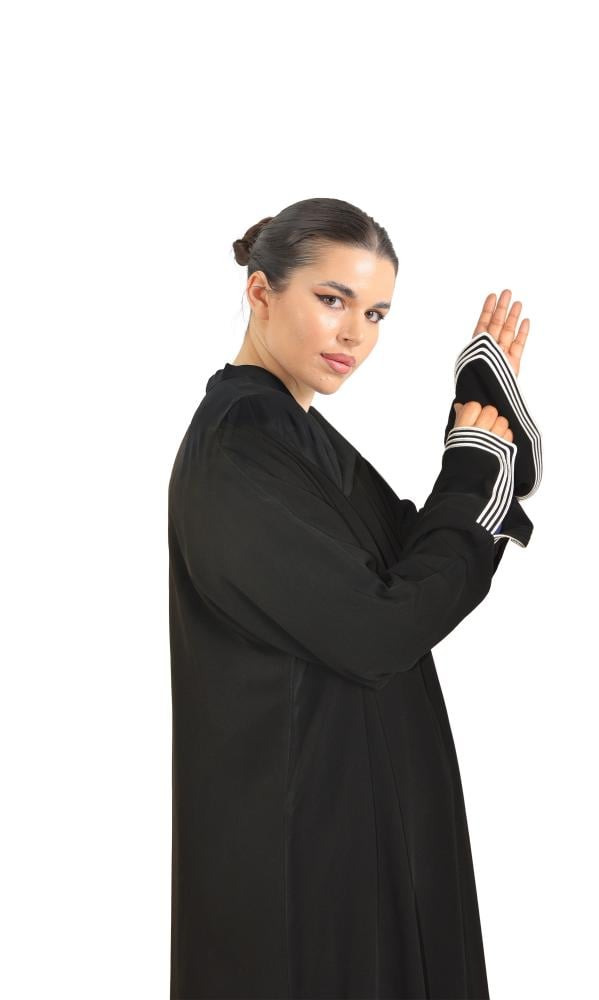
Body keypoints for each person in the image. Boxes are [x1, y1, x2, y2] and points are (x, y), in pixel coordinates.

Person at [167, 196, 542, 1000]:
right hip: (308, 865)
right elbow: (385, 628)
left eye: (375, 314)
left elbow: (413, 557)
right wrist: (474, 465)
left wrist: (480, 421)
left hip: (357, 833)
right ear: (261, 292)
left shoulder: (292, 434)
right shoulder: (240, 446)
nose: (355, 336)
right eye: (332, 300)